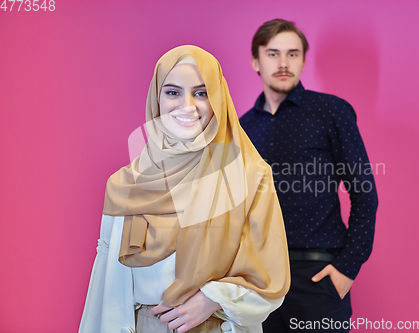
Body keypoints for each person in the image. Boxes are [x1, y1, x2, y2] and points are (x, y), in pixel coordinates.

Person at [79, 45, 290, 333]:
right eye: (173, 92)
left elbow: (270, 278)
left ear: (218, 99)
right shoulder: (125, 184)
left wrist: (213, 299)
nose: (186, 105)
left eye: (202, 93)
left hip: (214, 326)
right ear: (157, 98)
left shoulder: (251, 176)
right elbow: (105, 287)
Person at [239, 19, 378, 332]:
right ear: (255, 62)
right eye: (273, 54)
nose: (284, 63)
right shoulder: (242, 128)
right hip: (258, 280)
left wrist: (347, 268)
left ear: (303, 61)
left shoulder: (330, 111)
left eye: (293, 54)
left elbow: (364, 194)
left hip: (318, 276)